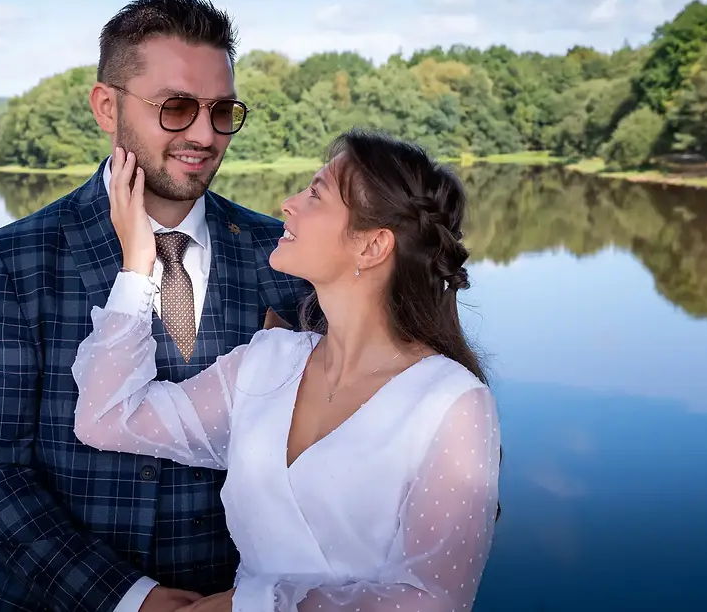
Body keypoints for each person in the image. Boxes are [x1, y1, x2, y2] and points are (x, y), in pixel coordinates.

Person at [0, 0, 310, 612]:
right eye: (176, 107)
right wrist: (128, 598)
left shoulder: (288, 255)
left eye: (222, 111)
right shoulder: (14, 259)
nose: (204, 134)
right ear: (106, 107)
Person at [71, 128, 502, 611]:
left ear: (371, 246)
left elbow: (432, 602)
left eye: (315, 195)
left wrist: (248, 605)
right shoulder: (267, 362)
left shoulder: (453, 403)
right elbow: (106, 419)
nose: (287, 203)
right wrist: (138, 266)